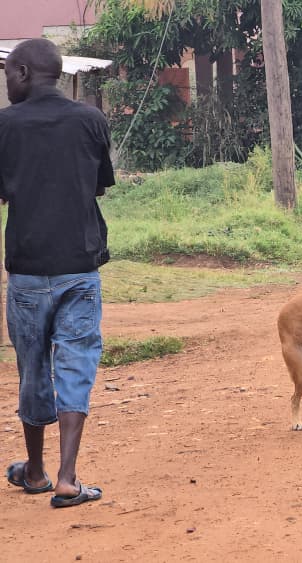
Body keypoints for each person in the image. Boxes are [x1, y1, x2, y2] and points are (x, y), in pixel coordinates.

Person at [0, 38, 112, 508]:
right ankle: (68, 478)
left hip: (27, 269)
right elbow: (99, 185)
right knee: (76, 364)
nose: (6, 81)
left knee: (32, 369)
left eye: (7, 72)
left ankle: (37, 471)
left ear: (24, 72)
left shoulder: (3, 125)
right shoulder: (90, 119)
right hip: (78, 268)